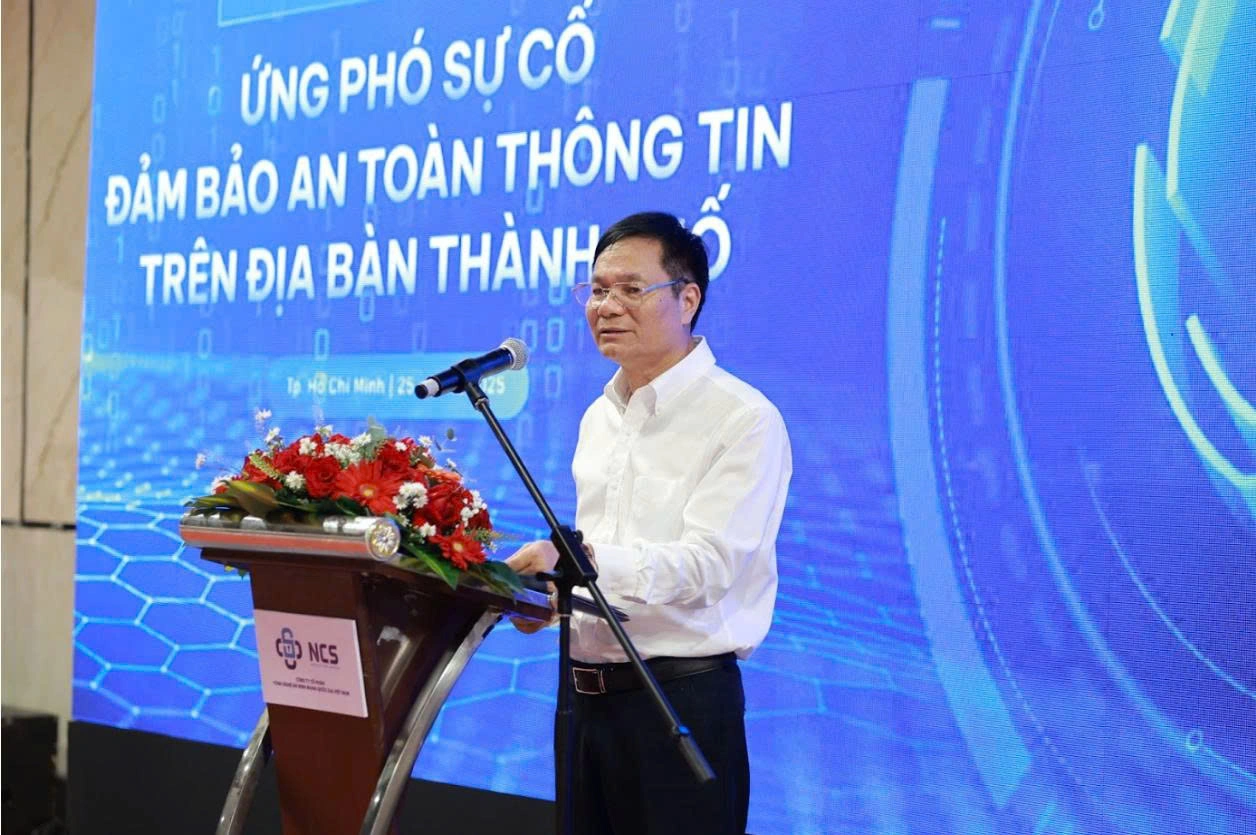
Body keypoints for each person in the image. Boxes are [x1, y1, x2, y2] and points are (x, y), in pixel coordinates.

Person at [506, 211, 792, 835]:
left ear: (688, 299)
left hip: (677, 703)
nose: (606, 306)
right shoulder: (599, 417)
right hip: (583, 704)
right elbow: (610, 561)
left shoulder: (743, 419)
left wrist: (581, 563)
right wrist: (549, 597)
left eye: (631, 289)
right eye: (596, 290)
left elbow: (710, 566)